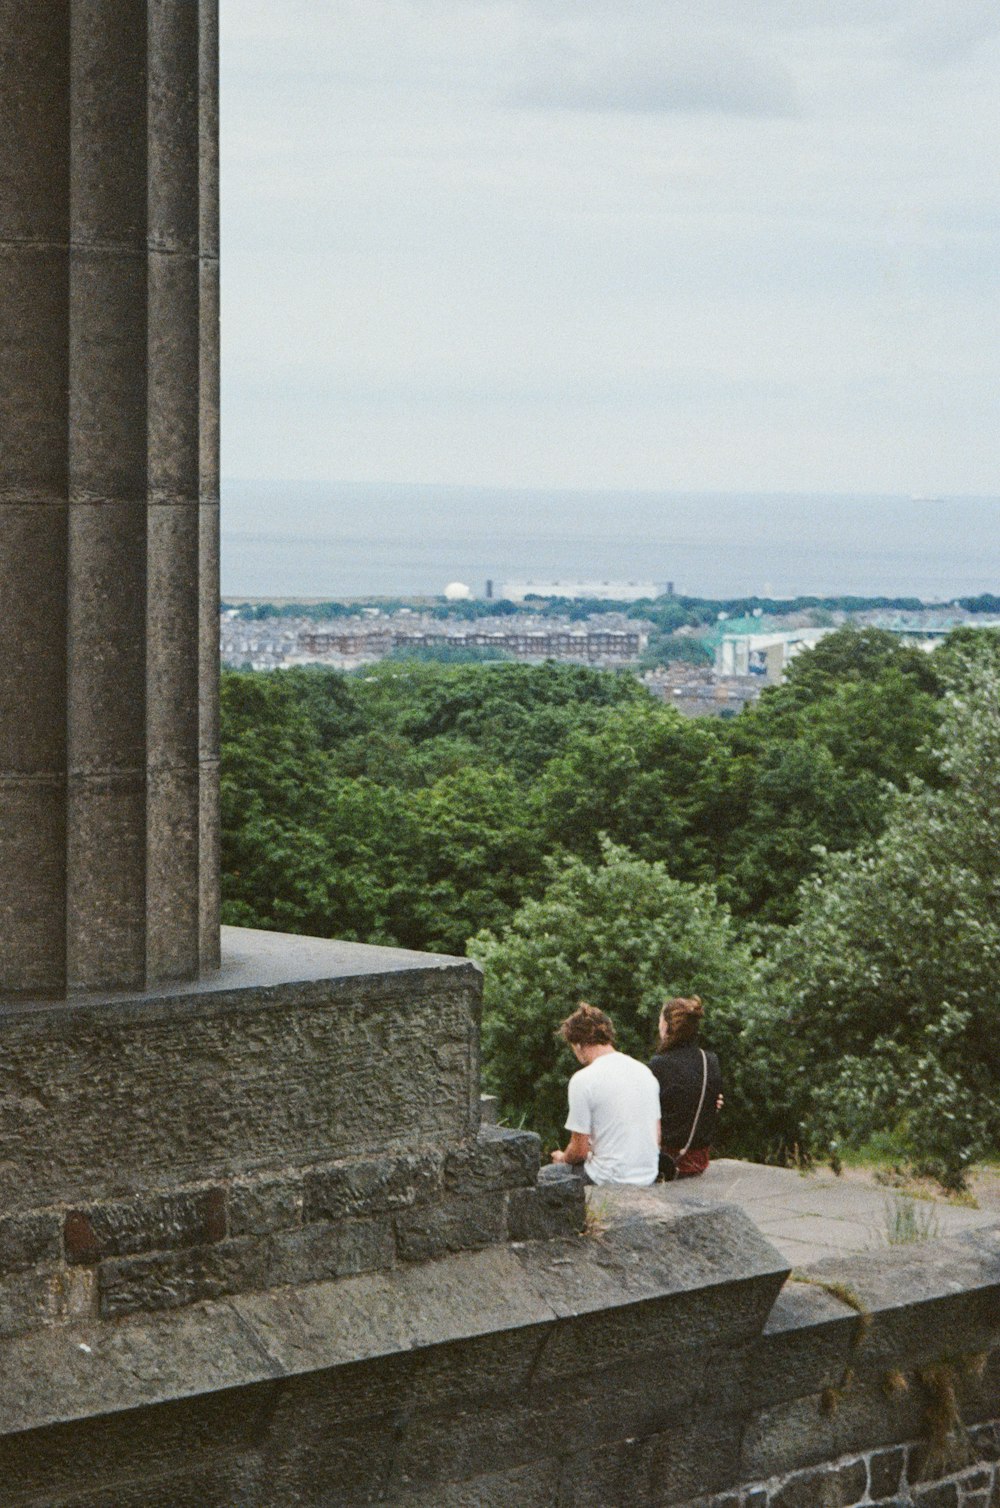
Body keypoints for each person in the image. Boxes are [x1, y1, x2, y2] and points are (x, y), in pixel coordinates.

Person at [549, 1003, 660, 1186]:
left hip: (609, 1179)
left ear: (578, 1044)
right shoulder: (644, 1072)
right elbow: (656, 1136)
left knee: (550, 1176)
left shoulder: (583, 1079)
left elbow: (579, 1151)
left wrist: (563, 1158)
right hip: (648, 1175)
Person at [649, 996, 723, 1179]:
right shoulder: (710, 1061)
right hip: (699, 1160)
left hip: (666, 1161)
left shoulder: (659, 1065)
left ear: (666, 1026)